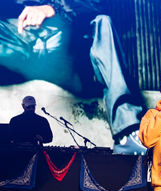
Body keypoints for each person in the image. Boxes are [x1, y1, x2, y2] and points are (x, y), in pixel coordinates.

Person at [0, 1, 146, 155]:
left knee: (102, 21)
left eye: (31, 106)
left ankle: (127, 132)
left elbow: (93, 6)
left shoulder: (40, 121)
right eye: (29, 106)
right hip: (14, 36)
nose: (30, 108)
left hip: (59, 41)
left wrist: (52, 8)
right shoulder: (17, 121)